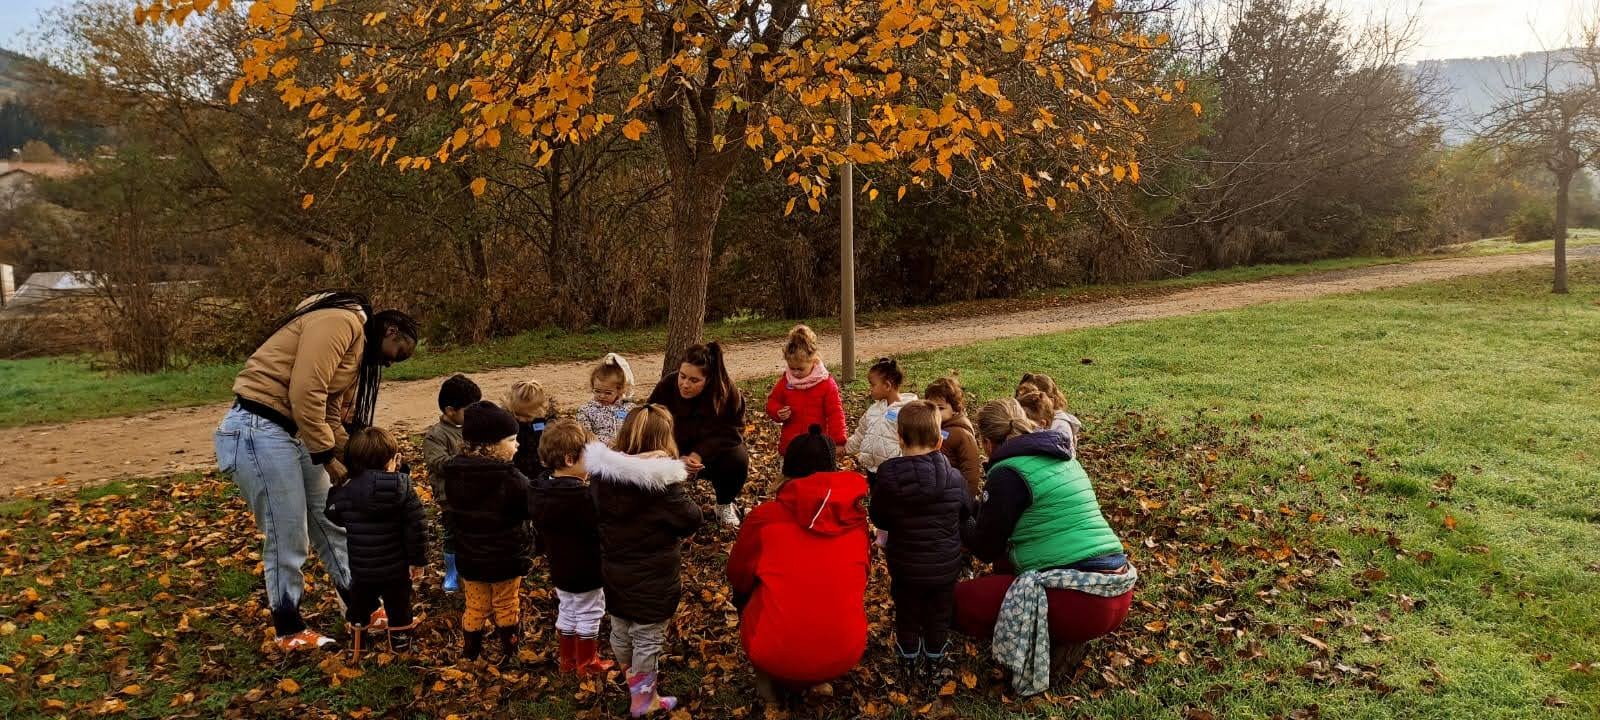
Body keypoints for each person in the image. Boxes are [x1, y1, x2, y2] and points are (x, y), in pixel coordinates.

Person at [214, 291, 417, 651]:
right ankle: (288, 628)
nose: (390, 363)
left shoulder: (354, 350)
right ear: (390, 331)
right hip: (259, 428)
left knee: (332, 521)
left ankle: (362, 608)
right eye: (398, 353)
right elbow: (306, 391)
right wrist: (326, 457)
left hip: (294, 432)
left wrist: (368, 459)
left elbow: (328, 415)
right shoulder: (341, 321)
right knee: (287, 533)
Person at [955, 398, 1136, 697]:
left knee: (957, 602)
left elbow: (985, 547)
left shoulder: (1008, 473)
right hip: (1116, 588)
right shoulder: (1064, 457)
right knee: (1003, 567)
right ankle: (1061, 635)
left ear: (986, 443)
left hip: (1081, 603)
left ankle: (1053, 637)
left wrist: (960, 512)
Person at [727, 425, 870, 706]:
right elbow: (862, 575)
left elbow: (738, 575)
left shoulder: (765, 518)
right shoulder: (855, 520)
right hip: (846, 650)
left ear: (787, 469)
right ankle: (818, 673)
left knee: (750, 591)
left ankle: (768, 688)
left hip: (773, 651)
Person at [589, 405, 703, 717]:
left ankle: (632, 680)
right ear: (664, 441)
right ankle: (643, 700)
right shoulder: (662, 486)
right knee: (647, 636)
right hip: (654, 577)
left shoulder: (601, 476)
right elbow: (691, 518)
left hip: (613, 569)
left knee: (620, 627)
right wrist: (669, 476)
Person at [869, 401, 975, 685]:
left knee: (907, 613)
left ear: (900, 438)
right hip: (944, 567)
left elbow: (878, 516)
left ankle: (907, 661)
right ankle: (935, 659)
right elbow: (967, 510)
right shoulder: (954, 478)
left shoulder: (887, 477)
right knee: (939, 614)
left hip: (905, 567)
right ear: (939, 440)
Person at [441, 401, 533, 664]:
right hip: (505, 558)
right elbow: (530, 508)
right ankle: (510, 651)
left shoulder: (454, 474)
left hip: (469, 557)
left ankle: (471, 652)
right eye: (511, 440)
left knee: (476, 605)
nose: (517, 445)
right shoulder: (512, 479)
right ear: (491, 445)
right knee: (506, 604)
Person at [323, 426, 427, 655]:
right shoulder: (403, 488)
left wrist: (337, 490)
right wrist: (417, 561)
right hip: (396, 569)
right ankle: (400, 647)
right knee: (399, 606)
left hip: (362, 568)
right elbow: (417, 527)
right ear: (392, 461)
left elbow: (332, 514)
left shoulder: (346, 492)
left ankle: (358, 644)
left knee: (359, 605)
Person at [528, 419, 614, 676]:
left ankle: (568, 659)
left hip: (560, 566)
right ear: (569, 460)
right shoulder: (581, 499)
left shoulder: (540, 491)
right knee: (590, 611)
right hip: (586, 567)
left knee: (568, 608)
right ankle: (587, 663)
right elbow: (601, 527)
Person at [647, 341, 749, 527]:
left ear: (708, 379)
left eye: (694, 380)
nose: (685, 384)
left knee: (738, 458)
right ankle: (656, 502)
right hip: (670, 449)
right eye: (682, 376)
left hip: (708, 456)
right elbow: (649, 420)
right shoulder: (667, 385)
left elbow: (733, 432)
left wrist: (698, 454)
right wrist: (673, 455)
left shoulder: (726, 393)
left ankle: (724, 504)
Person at [422, 373, 481, 593]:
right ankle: (452, 572)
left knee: (475, 531)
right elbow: (438, 463)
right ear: (450, 410)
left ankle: (474, 565)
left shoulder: (474, 428)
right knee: (452, 535)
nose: (474, 414)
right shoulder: (435, 436)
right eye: (469, 410)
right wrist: (467, 459)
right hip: (451, 498)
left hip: (476, 494)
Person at [764, 324, 846, 455]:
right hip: (791, 445)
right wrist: (778, 411)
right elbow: (772, 401)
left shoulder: (825, 383)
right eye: (792, 368)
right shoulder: (786, 381)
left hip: (817, 446)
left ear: (813, 361)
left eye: (800, 369)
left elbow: (835, 413)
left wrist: (838, 441)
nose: (795, 373)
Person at [844, 357, 917, 487]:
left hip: (896, 473)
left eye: (873, 385)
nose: (870, 389)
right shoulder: (873, 410)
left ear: (887, 386)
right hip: (872, 471)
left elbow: (916, 440)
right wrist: (846, 448)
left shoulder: (907, 411)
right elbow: (861, 433)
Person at [922, 377, 984, 498]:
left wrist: (967, 498)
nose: (935, 412)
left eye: (941, 408)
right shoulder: (933, 427)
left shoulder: (961, 434)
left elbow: (971, 471)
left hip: (955, 495)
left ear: (955, 409)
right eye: (931, 407)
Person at [1016, 372, 1082, 457]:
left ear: (1051, 400)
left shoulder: (1061, 426)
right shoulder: (1025, 414)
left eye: (1035, 400)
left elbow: (1066, 454)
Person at [577, 352, 637, 445]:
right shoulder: (586, 410)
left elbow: (637, 431)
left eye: (608, 393)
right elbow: (585, 436)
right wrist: (604, 443)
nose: (602, 396)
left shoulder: (629, 408)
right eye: (597, 391)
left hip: (626, 449)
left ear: (620, 391)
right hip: (600, 450)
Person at [506, 380, 556, 481]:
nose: (522, 419)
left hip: (542, 468)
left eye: (527, 416)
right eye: (518, 415)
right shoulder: (509, 424)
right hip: (518, 468)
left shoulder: (548, 422)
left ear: (541, 410)